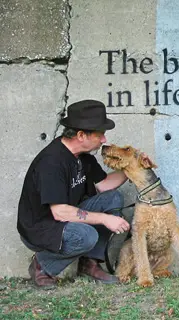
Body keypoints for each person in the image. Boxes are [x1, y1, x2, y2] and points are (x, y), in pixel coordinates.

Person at [17, 99, 131, 289]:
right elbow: (60, 212)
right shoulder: (52, 162)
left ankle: (89, 263)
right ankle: (42, 265)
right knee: (86, 236)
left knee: (114, 198)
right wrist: (104, 219)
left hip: (66, 216)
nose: (104, 140)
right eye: (100, 134)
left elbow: (104, 186)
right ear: (81, 135)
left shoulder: (83, 156)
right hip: (41, 227)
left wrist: (131, 168)